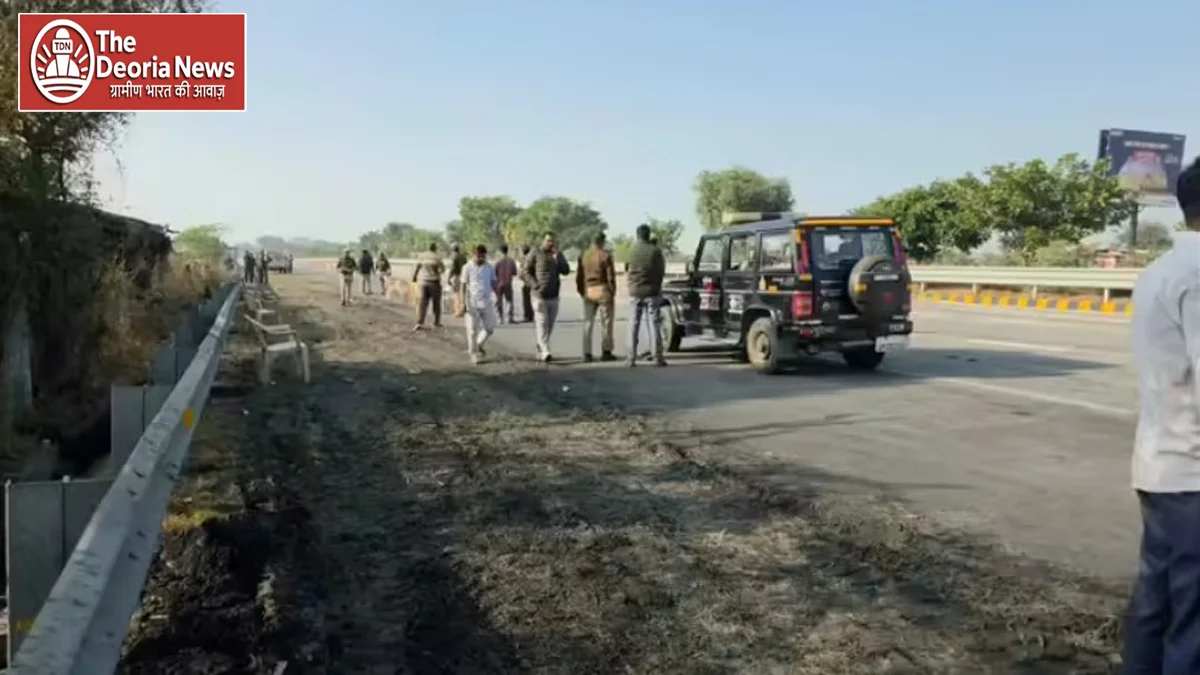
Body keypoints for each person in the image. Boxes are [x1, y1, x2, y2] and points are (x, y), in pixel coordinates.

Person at [1124, 156, 1200, 673]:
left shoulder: (1160, 270)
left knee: (1156, 604)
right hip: (1193, 473)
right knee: (1192, 624)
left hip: (1160, 465)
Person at [521, 232, 570, 362]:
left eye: (553, 241)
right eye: (548, 240)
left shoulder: (557, 255)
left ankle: (541, 345)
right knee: (542, 323)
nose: (551, 243)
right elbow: (524, 271)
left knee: (550, 325)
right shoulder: (535, 252)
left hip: (553, 295)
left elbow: (566, 271)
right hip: (539, 296)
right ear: (543, 241)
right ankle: (545, 351)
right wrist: (535, 285)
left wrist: (559, 256)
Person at [625, 223, 667, 367]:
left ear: (638, 235)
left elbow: (627, 268)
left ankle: (631, 358)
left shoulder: (632, 250)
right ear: (648, 235)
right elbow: (661, 271)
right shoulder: (655, 251)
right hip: (652, 291)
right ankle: (658, 357)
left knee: (633, 324)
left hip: (635, 291)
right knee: (654, 324)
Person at [577, 232, 617, 362]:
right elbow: (611, 277)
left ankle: (586, 353)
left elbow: (579, 276)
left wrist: (582, 291)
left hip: (589, 289)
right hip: (603, 288)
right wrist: (612, 292)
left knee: (588, 323)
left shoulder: (584, 255)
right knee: (606, 322)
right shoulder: (605, 255)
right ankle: (606, 351)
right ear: (602, 242)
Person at [460, 244, 499, 364]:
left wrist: (498, 296)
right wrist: (463, 303)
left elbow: (494, 282)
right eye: (478, 255)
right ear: (473, 254)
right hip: (471, 301)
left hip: (486, 301)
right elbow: (463, 286)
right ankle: (474, 354)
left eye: (483, 255)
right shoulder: (467, 267)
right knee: (472, 330)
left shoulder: (489, 267)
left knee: (490, 328)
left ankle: (478, 344)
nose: (480, 258)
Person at [411, 241, 446, 330]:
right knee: (436, 304)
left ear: (427, 248)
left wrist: (414, 277)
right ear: (435, 248)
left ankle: (420, 322)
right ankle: (436, 322)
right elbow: (443, 269)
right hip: (434, 282)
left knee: (422, 303)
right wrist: (437, 272)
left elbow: (417, 267)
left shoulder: (421, 256)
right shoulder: (437, 257)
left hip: (423, 282)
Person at [493, 244, 518, 323]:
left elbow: (494, 274)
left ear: (500, 251)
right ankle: (509, 318)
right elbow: (514, 273)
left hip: (499, 284)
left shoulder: (497, 261)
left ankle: (500, 318)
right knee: (509, 301)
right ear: (507, 250)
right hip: (508, 283)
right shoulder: (511, 261)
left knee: (499, 301)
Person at [519, 245, 534, 323]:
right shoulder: (533, 259)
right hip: (533, 283)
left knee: (526, 301)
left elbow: (521, 274)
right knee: (533, 300)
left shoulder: (524, 261)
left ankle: (527, 316)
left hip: (527, 283)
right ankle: (532, 315)